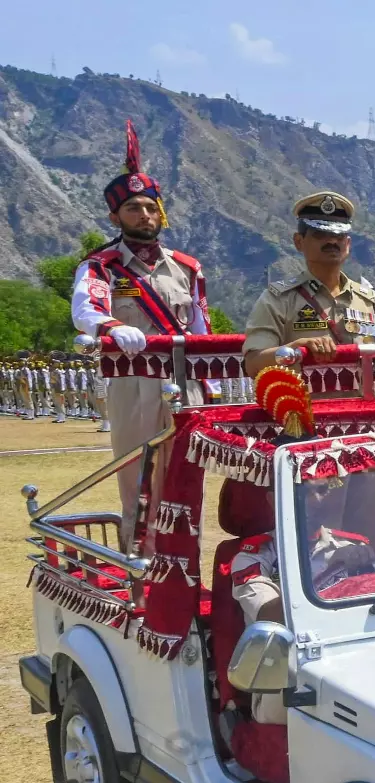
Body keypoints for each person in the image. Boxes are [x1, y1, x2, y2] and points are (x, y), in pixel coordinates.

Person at [70, 120, 209, 545]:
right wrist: (112, 326)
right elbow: (85, 310)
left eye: (150, 207)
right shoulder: (101, 266)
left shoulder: (187, 267)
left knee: (187, 478)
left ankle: (183, 567)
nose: (144, 215)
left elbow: (200, 326)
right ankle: (142, 571)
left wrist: (211, 381)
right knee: (139, 481)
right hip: (133, 381)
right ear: (115, 216)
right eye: (133, 208)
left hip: (184, 382)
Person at [230, 482, 372, 725]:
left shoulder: (349, 549)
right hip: (280, 679)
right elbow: (269, 616)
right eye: (303, 493)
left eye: (322, 490)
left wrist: (366, 569)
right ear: (274, 499)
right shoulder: (255, 556)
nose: (316, 501)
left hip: (345, 662)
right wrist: (327, 574)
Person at [243, 192, 375, 375]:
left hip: (362, 394)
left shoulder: (370, 301)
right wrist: (294, 350)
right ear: (299, 242)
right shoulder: (277, 300)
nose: (332, 241)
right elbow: (253, 364)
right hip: (302, 394)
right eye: (320, 234)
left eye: (339, 235)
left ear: (348, 244)